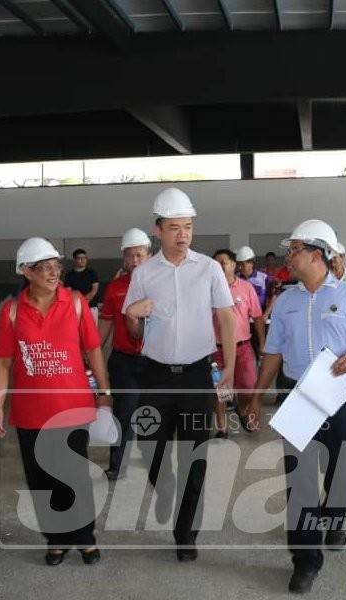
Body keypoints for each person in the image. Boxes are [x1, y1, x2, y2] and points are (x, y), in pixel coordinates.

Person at [249, 220, 346, 594]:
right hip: (296, 395)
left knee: (339, 470)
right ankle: (306, 559)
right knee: (300, 480)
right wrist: (256, 397)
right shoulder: (286, 301)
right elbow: (272, 354)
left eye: (295, 250)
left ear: (316, 254)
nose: (288, 257)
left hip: (335, 393)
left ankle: (335, 520)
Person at [123, 187, 236, 562]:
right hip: (154, 376)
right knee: (150, 449)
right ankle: (165, 485)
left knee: (194, 457)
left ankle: (185, 533)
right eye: (173, 227)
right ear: (158, 231)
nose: (182, 234)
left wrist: (230, 370)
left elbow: (226, 318)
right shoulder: (143, 273)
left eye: (187, 227)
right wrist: (132, 316)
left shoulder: (209, 269)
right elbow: (134, 332)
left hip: (195, 378)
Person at [0, 237, 111, 566]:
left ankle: (84, 536)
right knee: (41, 477)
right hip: (30, 413)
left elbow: (94, 349)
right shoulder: (11, 311)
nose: (53, 272)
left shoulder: (74, 303)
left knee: (74, 474)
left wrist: (104, 393)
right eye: (44, 267)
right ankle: (56, 538)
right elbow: (3, 362)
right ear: (26, 272)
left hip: (72, 407)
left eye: (56, 266)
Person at [99, 228, 151, 481]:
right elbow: (106, 323)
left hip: (156, 362)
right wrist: (91, 351)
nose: (135, 261)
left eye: (139, 255)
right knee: (124, 412)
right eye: (130, 256)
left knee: (155, 411)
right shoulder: (115, 288)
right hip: (124, 361)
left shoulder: (163, 284)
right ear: (123, 257)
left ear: (149, 255)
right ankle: (117, 464)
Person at [211, 249, 265, 437]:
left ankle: (242, 410)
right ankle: (222, 427)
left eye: (223, 262)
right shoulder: (209, 290)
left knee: (249, 388)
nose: (219, 266)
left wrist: (263, 342)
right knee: (222, 391)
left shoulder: (246, 288)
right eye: (215, 263)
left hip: (243, 348)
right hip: (218, 350)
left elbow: (257, 317)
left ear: (234, 265)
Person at [64, 248, 100, 316]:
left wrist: (84, 302)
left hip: (91, 307)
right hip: (75, 308)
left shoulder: (91, 273)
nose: (83, 260)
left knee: (91, 326)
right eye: (80, 258)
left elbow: (94, 290)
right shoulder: (69, 274)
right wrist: (78, 303)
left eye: (85, 258)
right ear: (74, 260)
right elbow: (68, 291)